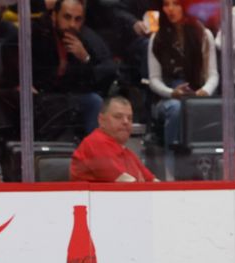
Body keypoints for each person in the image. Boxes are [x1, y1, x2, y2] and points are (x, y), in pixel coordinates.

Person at [147, 0, 219, 179]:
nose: (170, 9)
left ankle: (207, 172)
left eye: (176, 4)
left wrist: (204, 92)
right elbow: (154, 80)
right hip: (167, 98)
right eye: (166, 4)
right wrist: (172, 93)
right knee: (175, 108)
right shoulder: (157, 38)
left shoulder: (203, 34)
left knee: (207, 110)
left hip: (197, 97)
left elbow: (213, 75)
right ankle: (170, 171)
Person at [30, 0, 117, 138]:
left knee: (94, 101)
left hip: (68, 95)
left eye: (78, 19)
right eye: (67, 17)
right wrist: (20, 83)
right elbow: (10, 50)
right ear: (54, 16)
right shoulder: (37, 32)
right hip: (40, 94)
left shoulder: (84, 39)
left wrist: (85, 58)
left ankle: (93, 152)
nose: (72, 24)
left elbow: (105, 72)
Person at [70, 96, 158, 182]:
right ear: (101, 120)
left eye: (130, 118)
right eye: (118, 117)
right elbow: (126, 183)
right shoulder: (94, 143)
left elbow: (154, 183)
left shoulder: (127, 153)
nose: (126, 122)